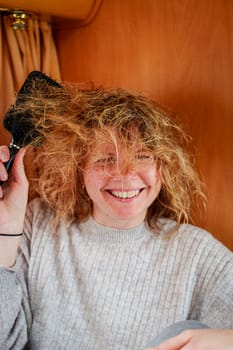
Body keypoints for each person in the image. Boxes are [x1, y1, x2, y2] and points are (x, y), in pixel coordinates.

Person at [0, 83, 233, 350]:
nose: (125, 175)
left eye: (143, 156)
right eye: (106, 160)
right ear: (79, 169)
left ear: (164, 167)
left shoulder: (199, 255)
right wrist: (4, 233)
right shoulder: (38, 224)